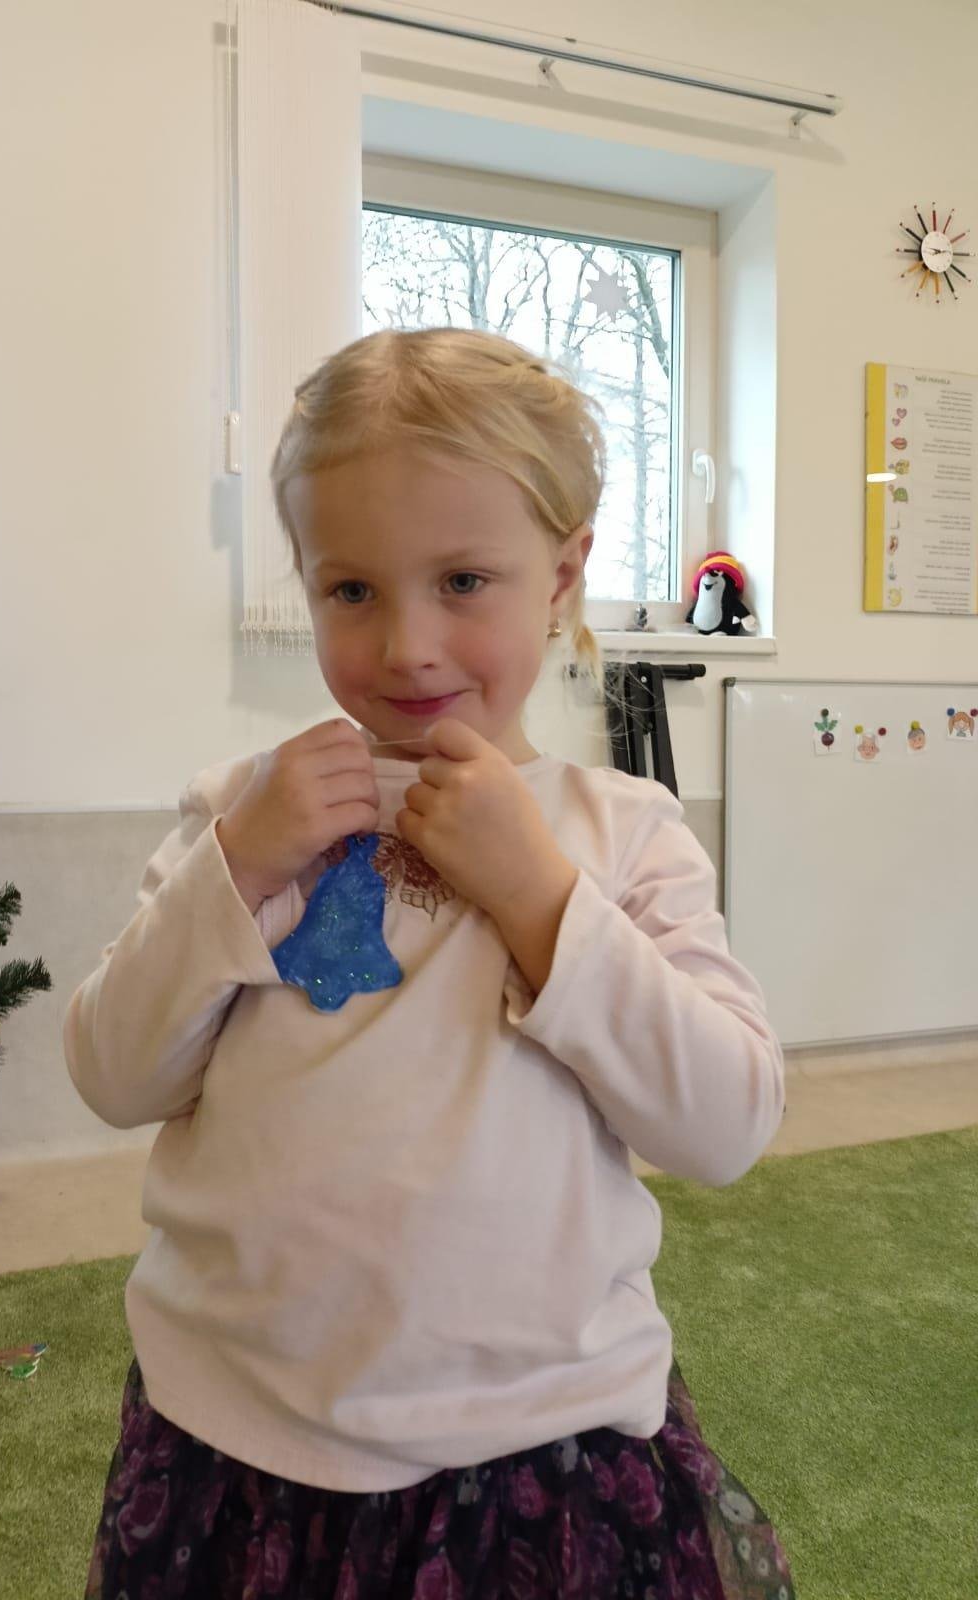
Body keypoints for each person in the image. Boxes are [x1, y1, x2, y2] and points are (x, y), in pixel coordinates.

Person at [65, 327, 793, 1599]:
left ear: (562, 575)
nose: (407, 645)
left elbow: (726, 1123)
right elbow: (115, 1073)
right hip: (234, 1433)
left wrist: (541, 896)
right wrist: (237, 867)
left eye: (463, 580)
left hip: (537, 1442)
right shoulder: (240, 812)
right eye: (352, 590)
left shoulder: (624, 835)